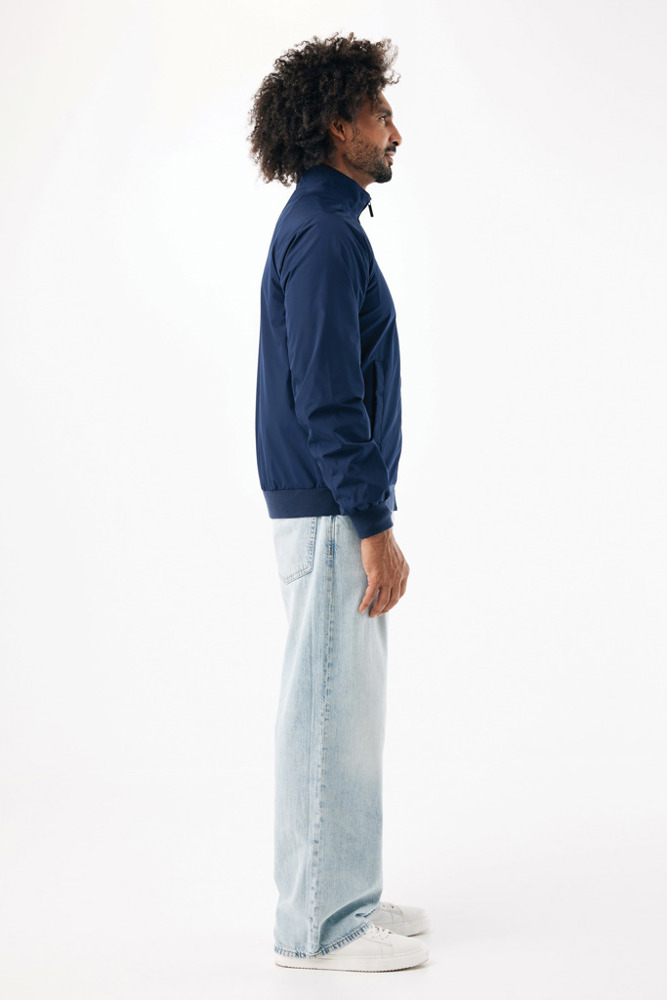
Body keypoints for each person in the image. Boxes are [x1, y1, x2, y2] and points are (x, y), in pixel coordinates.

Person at [247, 32, 429, 973]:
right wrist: (373, 523)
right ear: (336, 124)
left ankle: (343, 890)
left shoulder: (329, 223)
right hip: (331, 509)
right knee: (327, 711)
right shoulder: (323, 233)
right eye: (381, 114)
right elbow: (327, 395)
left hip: (330, 506)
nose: (395, 131)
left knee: (343, 713)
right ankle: (318, 930)